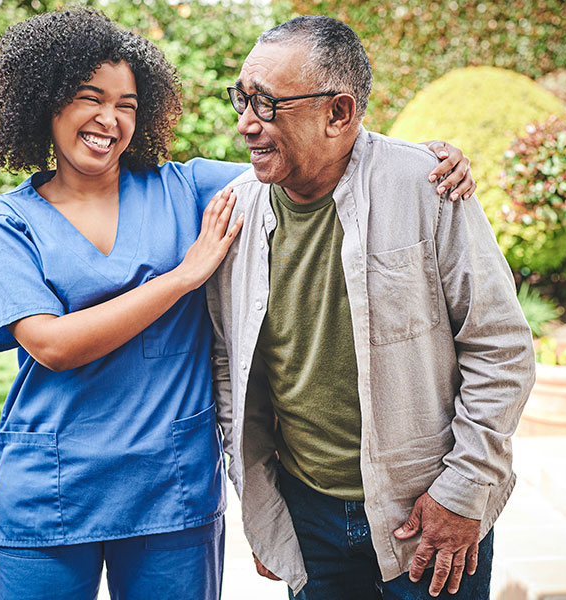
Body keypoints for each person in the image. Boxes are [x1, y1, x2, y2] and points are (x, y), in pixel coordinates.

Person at [0, 9, 475, 600]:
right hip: (52, 494)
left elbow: (314, 155)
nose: (109, 119)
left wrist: (425, 161)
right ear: (47, 101)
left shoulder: (189, 189)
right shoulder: (7, 222)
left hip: (171, 493)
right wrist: (183, 277)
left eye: (128, 104)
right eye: (90, 98)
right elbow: (52, 346)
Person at [206, 15, 536, 600]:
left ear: (339, 113)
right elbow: (231, 369)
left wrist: (463, 490)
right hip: (307, 516)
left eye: (266, 105)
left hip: (430, 515)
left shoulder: (426, 185)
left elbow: (501, 349)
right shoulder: (234, 211)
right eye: (242, 99)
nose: (245, 124)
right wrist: (264, 508)